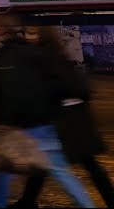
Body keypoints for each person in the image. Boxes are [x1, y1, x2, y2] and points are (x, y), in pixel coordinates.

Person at [0, 25, 94, 208]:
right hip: (44, 122)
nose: (31, 37)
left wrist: (0, 118)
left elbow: (3, 92)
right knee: (59, 171)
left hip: (27, 125)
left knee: (5, 172)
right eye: (29, 33)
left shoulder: (24, 56)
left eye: (34, 33)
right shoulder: (43, 55)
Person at [12, 29, 114, 208]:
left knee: (81, 163)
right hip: (73, 121)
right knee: (49, 162)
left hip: (68, 123)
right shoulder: (56, 56)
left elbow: (63, 88)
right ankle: (27, 200)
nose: (29, 38)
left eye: (32, 34)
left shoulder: (46, 59)